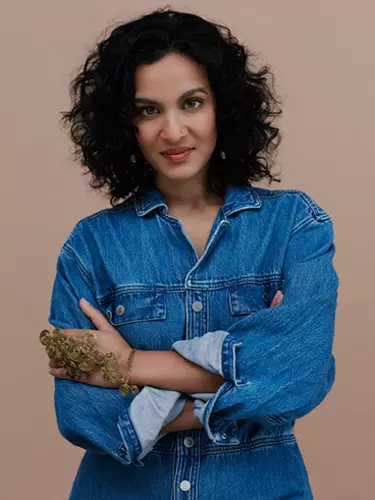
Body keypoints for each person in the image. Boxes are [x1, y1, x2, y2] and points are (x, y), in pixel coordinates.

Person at [44, 7, 338, 499]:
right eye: (148, 110)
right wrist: (248, 385)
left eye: (192, 103)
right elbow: (83, 416)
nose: (173, 131)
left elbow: (301, 375)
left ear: (224, 107)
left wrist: (130, 364)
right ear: (124, 124)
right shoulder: (91, 245)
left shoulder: (293, 225)